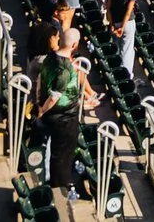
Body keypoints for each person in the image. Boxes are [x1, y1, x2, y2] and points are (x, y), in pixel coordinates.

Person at [30, 46, 92, 202]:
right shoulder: (64, 70)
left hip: (51, 116)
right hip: (61, 117)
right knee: (61, 155)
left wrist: (39, 103)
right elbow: (54, 97)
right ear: (74, 45)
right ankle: (60, 191)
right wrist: (43, 110)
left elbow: (39, 82)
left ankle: (54, 183)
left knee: (52, 149)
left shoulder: (49, 59)